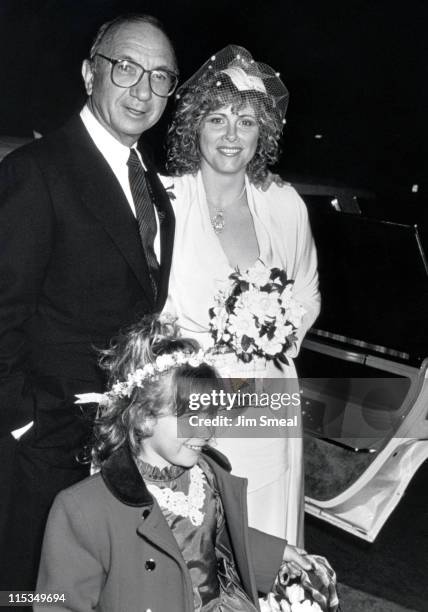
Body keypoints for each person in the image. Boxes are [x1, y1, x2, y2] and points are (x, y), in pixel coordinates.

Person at [0, 14, 177, 590]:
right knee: (30, 592)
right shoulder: (36, 171)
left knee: (88, 593)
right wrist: (24, 423)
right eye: (126, 67)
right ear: (88, 72)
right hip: (43, 446)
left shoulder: (151, 187)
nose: (143, 90)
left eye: (160, 76)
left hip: (115, 447)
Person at [36, 316, 338, 612]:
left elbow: (216, 540)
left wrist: (276, 554)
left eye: (209, 415)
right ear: (143, 417)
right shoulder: (83, 508)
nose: (205, 431)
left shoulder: (205, 475)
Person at [163, 45, 321, 545]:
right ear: (194, 126)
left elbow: (307, 292)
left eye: (247, 121)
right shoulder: (167, 200)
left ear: (263, 133)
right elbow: (149, 308)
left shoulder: (283, 203)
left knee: (265, 539)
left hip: (267, 402)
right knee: (194, 547)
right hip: (187, 403)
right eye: (217, 119)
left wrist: (269, 336)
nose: (232, 136)